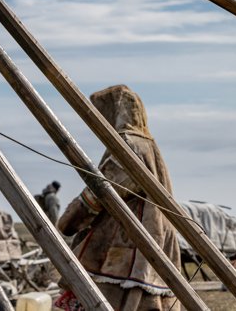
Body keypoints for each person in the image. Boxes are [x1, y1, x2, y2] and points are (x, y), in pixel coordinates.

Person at [55, 84, 180, 311]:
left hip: (128, 242)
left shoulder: (130, 144)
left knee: (114, 301)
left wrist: (71, 217)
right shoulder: (149, 145)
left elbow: (104, 191)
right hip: (151, 236)